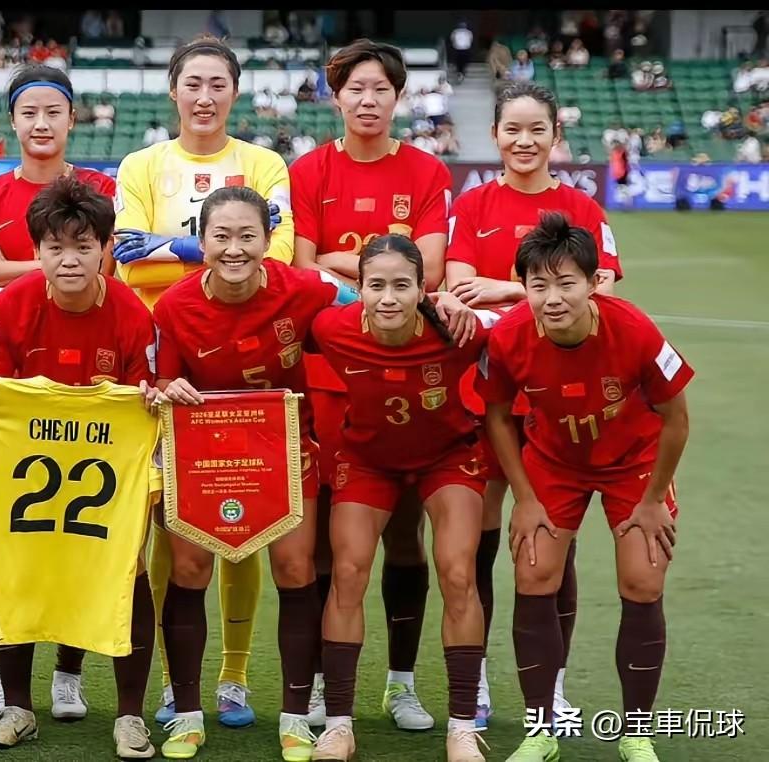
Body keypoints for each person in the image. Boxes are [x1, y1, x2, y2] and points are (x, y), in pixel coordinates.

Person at [110, 34, 296, 729]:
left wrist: (182, 246)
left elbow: (279, 255)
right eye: (193, 83)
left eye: (218, 83)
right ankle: (173, 680)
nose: (205, 96)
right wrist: (221, 250)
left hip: (247, 362)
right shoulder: (142, 164)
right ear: (173, 90)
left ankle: (235, 677)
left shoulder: (264, 163)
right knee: (173, 524)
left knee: (245, 522)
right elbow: (128, 263)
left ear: (235, 92)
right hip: (166, 364)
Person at [478, 214, 692, 762]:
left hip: (634, 462)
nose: (552, 298)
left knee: (642, 580)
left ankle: (637, 733)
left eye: (566, 283)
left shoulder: (635, 329)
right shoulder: (508, 337)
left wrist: (653, 501)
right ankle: (540, 731)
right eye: (539, 285)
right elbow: (497, 416)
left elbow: (675, 419)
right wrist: (525, 499)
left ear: (595, 282)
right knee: (534, 573)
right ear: (523, 285)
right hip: (554, 462)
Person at [289, 38, 453, 733]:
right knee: (332, 543)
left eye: (380, 89)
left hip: (409, 375)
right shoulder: (309, 169)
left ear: (398, 97)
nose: (367, 100)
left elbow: (431, 272)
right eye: (354, 88)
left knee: (406, 535)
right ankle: (323, 687)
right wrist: (381, 277)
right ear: (336, 98)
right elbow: (300, 269)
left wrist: (343, 267)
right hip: (328, 375)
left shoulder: (426, 169)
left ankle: (401, 683)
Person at [446, 82, 623, 728]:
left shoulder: (580, 206)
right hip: (488, 390)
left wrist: (507, 290)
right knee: (482, 539)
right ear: (495, 134)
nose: (524, 141)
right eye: (512, 129)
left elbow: (604, 289)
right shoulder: (472, 205)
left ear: (556, 136)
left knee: (556, 540)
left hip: (562, 395)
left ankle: (554, 684)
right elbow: (457, 288)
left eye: (536, 130)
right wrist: (543, 292)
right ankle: (479, 679)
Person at [153, 187, 351, 761]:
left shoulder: (304, 289)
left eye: (247, 236)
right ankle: (186, 715)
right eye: (221, 236)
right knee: (189, 568)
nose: (234, 249)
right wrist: (168, 388)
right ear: (201, 241)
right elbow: (160, 382)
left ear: (268, 240)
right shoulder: (174, 306)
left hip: (284, 452)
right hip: (204, 456)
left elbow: (363, 301)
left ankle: (295, 718)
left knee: (294, 568)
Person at [0, 178, 159, 759]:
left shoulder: (130, 313)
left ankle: (130, 716)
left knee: (127, 572)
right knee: (14, 571)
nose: (69, 260)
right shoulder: (12, 305)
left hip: (104, 474)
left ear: (105, 247)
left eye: (83, 246)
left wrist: (147, 401)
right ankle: (18, 707)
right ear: (37, 251)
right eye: (55, 248)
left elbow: (143, 397)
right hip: (26, 471)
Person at [309, 235, 488, 762]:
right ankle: (338, 726)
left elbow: (526, 324)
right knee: (347, 573)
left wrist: (465, 300)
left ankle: (462, 728)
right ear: (359, 288)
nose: (388, 298)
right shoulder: (331, 328)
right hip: (368, 459)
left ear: (423, 289)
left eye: (402, 286)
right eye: (376, 286)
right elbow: (297, 287)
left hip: (446, 457)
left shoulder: (458, 329)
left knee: (459, 572)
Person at [0, 65, 115, 286]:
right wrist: (57, 267)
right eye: (29, 113)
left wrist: (5, 272)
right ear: (13, 120)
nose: (41, 124)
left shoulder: (100, 188)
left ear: (71, 119)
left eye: (53, 113)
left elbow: (99, 272)